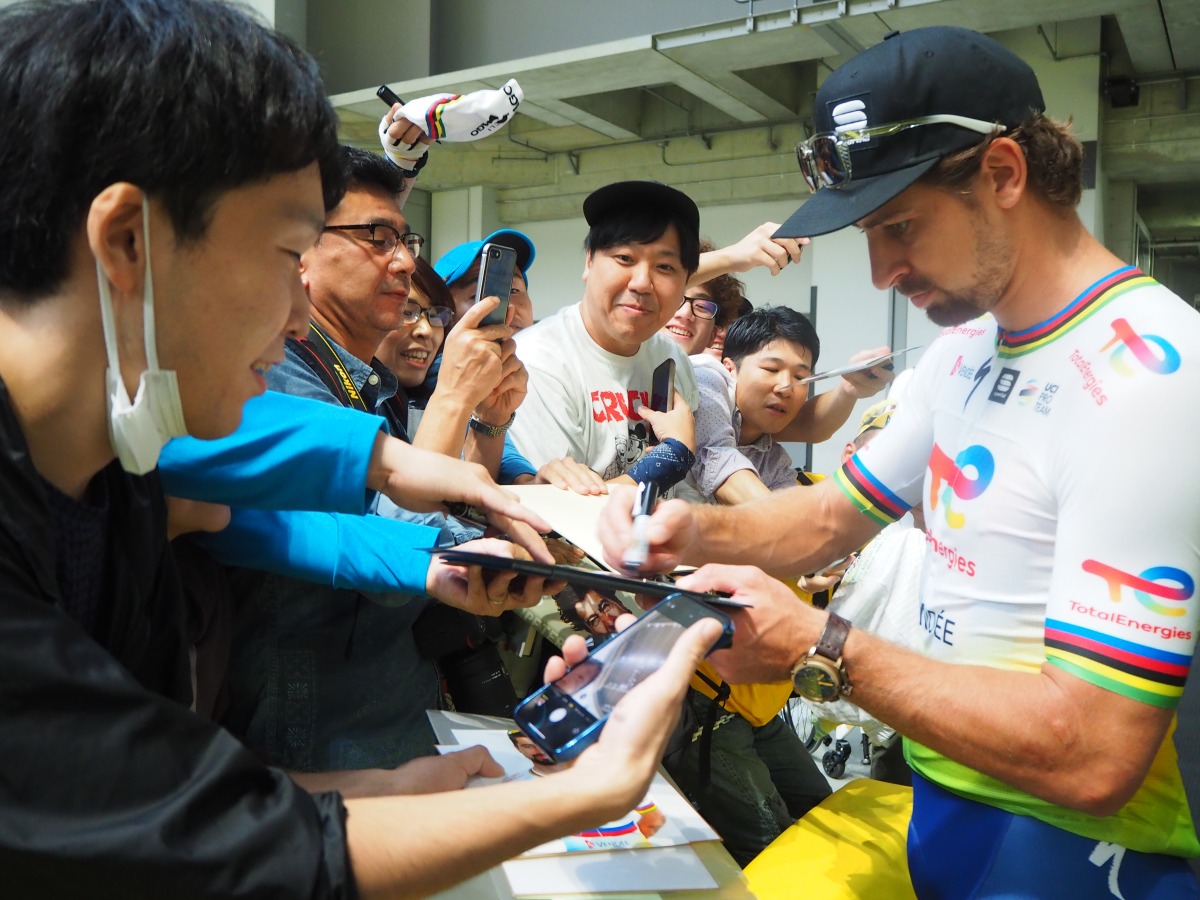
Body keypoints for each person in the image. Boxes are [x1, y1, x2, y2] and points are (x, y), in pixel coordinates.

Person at [0, 2, 720, 895]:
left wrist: (380, 781)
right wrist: (590, 791)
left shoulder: (117, 472)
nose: (297, 313)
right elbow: (191, 841)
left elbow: (149, 784)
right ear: (128, 242)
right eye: (286, 253)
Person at [603, 25, 1200, 898]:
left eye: (901, 226)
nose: (882, 271)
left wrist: (822, 645)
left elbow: (1095, 754)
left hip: (1082, 852)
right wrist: (686, 532)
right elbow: (828, 517)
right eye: (867, 234)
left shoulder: (1153, 377)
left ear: (1004, 174)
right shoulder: (962, 354)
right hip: (943, 806)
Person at [684, 305, 820, 504]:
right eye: (771, 369)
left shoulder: (774, 463)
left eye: (800, 377)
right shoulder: (705, 378)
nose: (786, 388)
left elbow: (792, 514)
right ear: (729, 369)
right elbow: (716, 458)